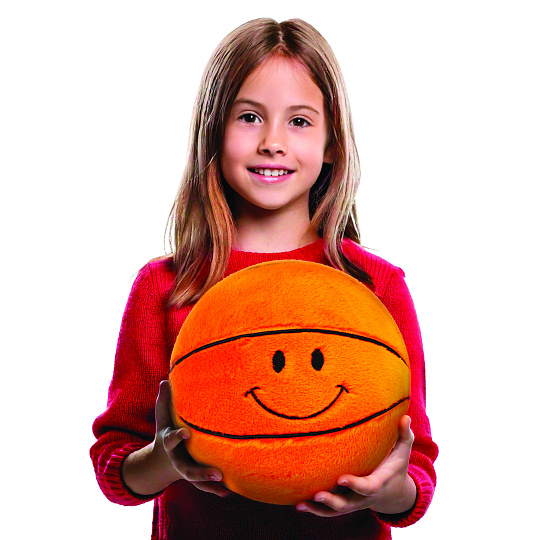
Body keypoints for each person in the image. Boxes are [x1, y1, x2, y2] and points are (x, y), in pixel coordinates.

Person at [90, 17, 438, 540]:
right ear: (214, 130)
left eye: (299, 121)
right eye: (250, 117)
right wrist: (165, 460)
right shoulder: (165, 287)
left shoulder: (376, 286)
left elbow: (417, 471)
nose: (273, 142)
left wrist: (384, 491)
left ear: (332, 143)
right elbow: (115, 465)